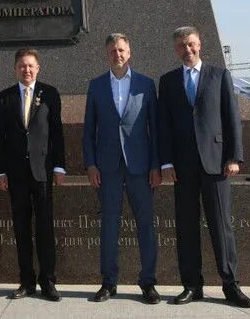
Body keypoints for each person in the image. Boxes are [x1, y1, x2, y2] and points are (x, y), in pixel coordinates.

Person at [157, 26, 250, 308]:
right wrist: (166, 161)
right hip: (182, 167)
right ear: (175, 50)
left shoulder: (219, 75)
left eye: (191, 44)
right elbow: (164, 126)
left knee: (221, 226)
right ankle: (191, 285)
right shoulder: (168, 81)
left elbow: (231, 117)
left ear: (200, 45)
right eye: (181, 46)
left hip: (216, 163)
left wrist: (234, 157)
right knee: (186, 227)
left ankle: (230, 284)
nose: (187, 50)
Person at [82, 34, 162, 304]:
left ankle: (148, 283)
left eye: (122, 50)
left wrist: (155, 166)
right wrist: (91, 164)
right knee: (109, 225)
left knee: (146, 226)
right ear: (106, 54)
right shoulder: (95, 86)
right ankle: (108, 282)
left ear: (130, 52)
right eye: (113, 50)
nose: (117, 54)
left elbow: (155, 129)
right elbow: (88, 131)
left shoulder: (146, 85)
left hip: (140, 167)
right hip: (107, 168)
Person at [0, 47, 66, 302]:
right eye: (22, 66)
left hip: (43, 171)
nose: (26, 70)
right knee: (21, 228)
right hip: (15, 174)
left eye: (31, 66)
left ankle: (48, 281)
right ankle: (26, 281)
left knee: (45, 227)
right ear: (15, 68)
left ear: (38, 68)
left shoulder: (50, 94)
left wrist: (59, 166)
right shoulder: (4, 97)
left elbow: (56, 131)